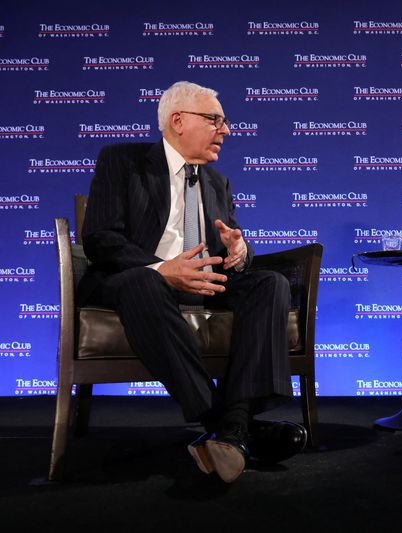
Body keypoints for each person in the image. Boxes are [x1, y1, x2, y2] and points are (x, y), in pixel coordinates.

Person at [79, 81, 307, 483]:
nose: (226, 130)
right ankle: (227, 423)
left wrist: (241, 252)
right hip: (132, 282)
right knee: (145, 283)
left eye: (225, 121)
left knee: (269, 282)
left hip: (204, 283)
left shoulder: (217, 182)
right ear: (178, 121)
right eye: (215, 119)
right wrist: (161, 269)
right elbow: (100, 236)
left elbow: (232, 241)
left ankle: (230, 429)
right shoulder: (122, 160)